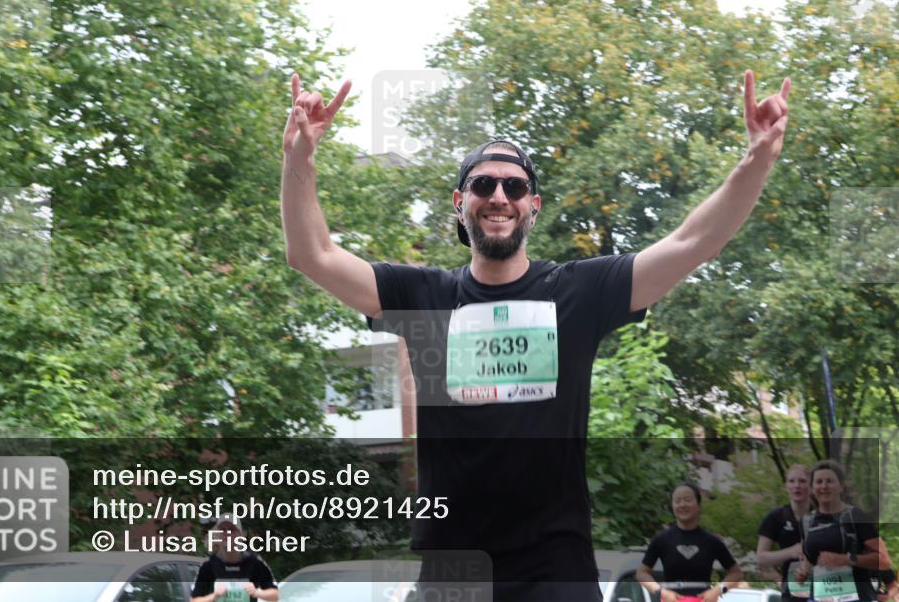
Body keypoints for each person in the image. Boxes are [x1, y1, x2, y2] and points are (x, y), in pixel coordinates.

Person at [280, 69, 790, 602]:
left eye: (515, 186)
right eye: (483, 184)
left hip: (555, 567)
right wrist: (299, 157)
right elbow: (311, 255)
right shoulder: (421, 296)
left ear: (533, 205)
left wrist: (757, 158)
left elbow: (692, 243)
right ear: (460, 201)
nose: (499, 195)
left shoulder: (578, 292)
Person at [794, 460, 893, 602]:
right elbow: (810, 559)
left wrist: (846, 559)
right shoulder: (806, 521)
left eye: (830, 481)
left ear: (841, 486)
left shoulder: (855, 516)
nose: (824, 486)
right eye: (819, 481)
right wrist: (802, 572)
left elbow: (884, 561)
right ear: (812, 488)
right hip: (820, 597)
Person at [636, 481, 743, 602]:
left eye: (687, 500)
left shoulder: (712, 541)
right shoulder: (661, 540)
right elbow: (642, 573)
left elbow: (736, 573)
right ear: (672, 506)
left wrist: (717, 590)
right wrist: (662, 592)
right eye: (677, 501)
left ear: (698, 505)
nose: (682, 505)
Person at [191, 514, 279, 602]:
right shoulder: (207, 565)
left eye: (231, 529)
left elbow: (275, 595)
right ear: (217, 535)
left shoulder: (255, 562)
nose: (227, 533)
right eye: (222, 530)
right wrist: (214, 596)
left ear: (240, 535)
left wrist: (256, 592)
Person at [757, 463, 811, 598]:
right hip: (793, 589)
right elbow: (761, 557)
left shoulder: (823, 516)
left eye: (802, 481)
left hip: (823, 586)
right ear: (786, 486)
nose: (797, 485)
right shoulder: (776, 517)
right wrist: (791, 552)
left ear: (811, 485)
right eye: (792, 481)